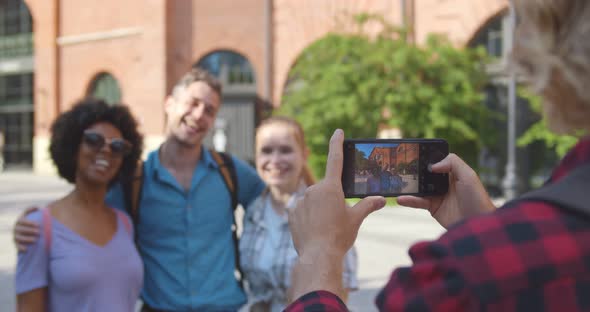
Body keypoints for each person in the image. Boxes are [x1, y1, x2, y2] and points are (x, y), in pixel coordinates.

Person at [285, 0, 590, 311]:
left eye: (525, 25)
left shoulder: (457, 279)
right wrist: (487, 229)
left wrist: (319, 258)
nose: (514, 56)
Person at [14, 68, 266, 311]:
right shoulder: (134, 181)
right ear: (169, 104)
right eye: (192, 103)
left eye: (209, 110)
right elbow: (83, 209)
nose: (199, 114)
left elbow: (279, 201)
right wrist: (34, 223)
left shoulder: (231, 172)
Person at [16, 98, 144, 311]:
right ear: (73, 146)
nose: (106, 150)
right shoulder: (37, 227)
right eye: (94, 140)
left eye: (117, 146)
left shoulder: (125, 223)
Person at [239, 116, 358, 312]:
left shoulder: (324, 209)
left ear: (304, 155)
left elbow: (339, 292)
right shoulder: (254, 211)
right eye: (266, 151)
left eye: (285, 150)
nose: (275, 160)